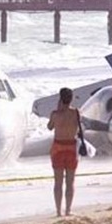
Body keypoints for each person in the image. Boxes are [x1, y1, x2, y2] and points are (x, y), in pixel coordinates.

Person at [47, 87, 80, 217]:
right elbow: (79, 126)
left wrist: (58, 108)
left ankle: (58, 211)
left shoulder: (55, 114)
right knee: (70, 182)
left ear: (60, 99)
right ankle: (68, 210)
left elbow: (50, 127)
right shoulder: (76, 113)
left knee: (58, 182)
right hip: (71, 148)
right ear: (71, 99)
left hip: (58, 148)